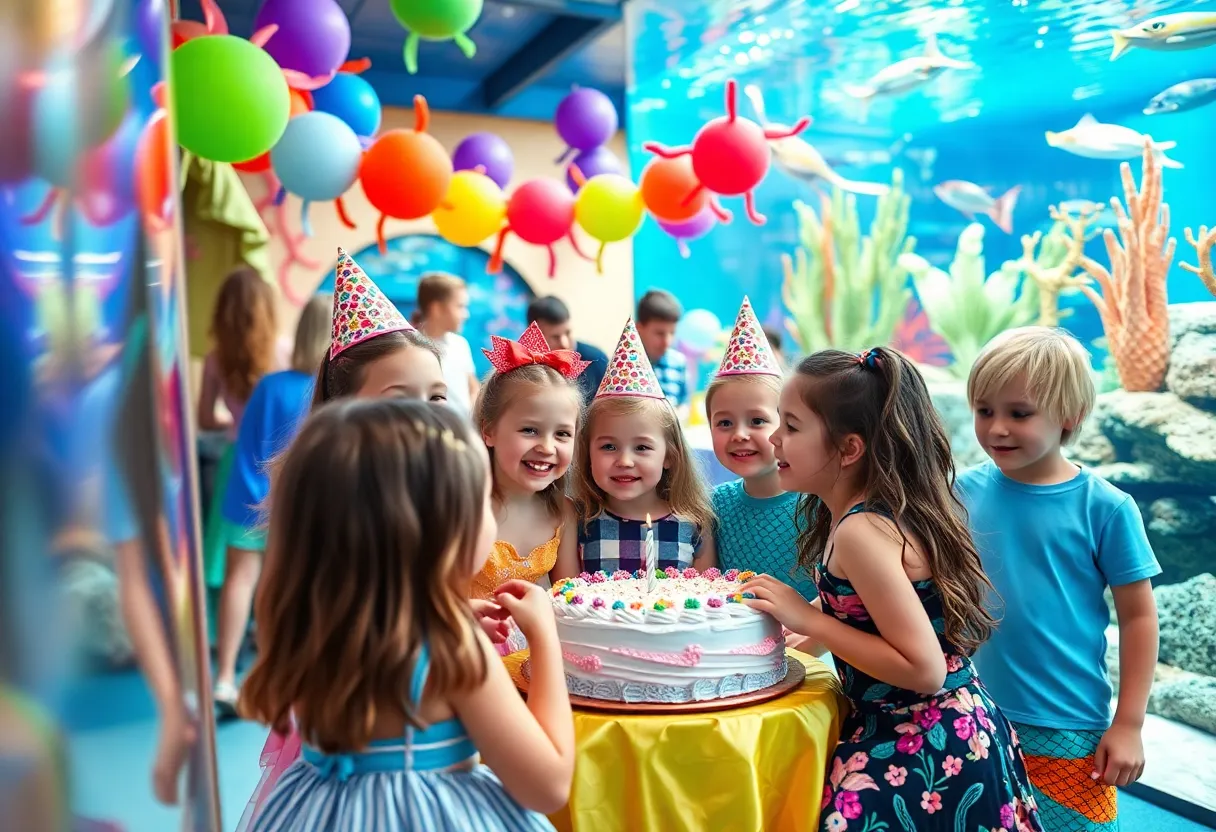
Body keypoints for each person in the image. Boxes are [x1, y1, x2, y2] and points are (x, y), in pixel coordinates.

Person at [742, 347, 1043, 832]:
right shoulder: (866, 513)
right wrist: (791, 638)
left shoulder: (862, 532)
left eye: (792, 426)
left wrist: (809, 618)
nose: (774, 438)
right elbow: (862, 609)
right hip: (952, 727)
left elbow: (923, 670)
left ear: (849, 449)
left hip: (927, 741)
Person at [239, 399, 573, 831]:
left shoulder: (314, 626)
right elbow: (547, 785)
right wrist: (545, 637)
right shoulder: (454, 648)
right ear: (441, 531)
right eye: (482, 502)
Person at [958, 327, 1159, 832]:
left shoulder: (1107, 507)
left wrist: (1129, 724)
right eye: (984, 410)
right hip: (971, 709)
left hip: (1067, 721)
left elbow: (1138, 618)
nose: (997, 428)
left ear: (1068, 417)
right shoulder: (958, 493)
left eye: (1018, 413)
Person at [211, 294, 330, 716]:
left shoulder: (271, 385)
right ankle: (275, 675)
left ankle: (225, 677)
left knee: (240, 583)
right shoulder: (328, 393)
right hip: (301, 510)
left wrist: (251, 497)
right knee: (287, 590)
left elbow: (247, 448)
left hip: (250, 497)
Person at [471, 323, 587, 654]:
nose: (547, 447)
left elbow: (570, 596)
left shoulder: (562, 513)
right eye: (530, 430)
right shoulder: (463, 503)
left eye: (562, 434)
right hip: (467, 651)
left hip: (534, 653)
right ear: (488, 431)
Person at [572, 319, 716, 574]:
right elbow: (566, 601)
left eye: (641, 448)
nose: (625, 461)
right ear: (588, 454)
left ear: (669, 456)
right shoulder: (578, 523)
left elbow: (707, 603)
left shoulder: (694, 525)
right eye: (608, 447)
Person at [707, 298, 813, 599]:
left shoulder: (816, 504)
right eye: (724, 423)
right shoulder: (716, 505)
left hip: (807, 643)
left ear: (785, 424)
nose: (739, 434)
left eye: (756, 420)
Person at [197, 266, 281, 609]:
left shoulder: (215, 360)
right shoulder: (283, 352)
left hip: (237, 459)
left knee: (234, 557)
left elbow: (203, 417)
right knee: (275, 552)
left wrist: (233, 424)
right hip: (279, 459)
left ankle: (224, 638)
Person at [413, 272, 478, 414]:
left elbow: (473, 387)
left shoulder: (460, 344)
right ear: (437, 308)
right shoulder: (412, 348)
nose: (466, 314)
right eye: (460, 306)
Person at [525, 295, 608, 403]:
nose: (564, 343)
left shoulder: (597, 360)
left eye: (568, 333)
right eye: (555, 337)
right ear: (534, 335)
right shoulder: (524, 369)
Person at [635, 289, 688, 413]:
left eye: (672, 333)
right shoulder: (627, 366)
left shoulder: (678, 362)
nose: (667, 342)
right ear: (639, 329)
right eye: (659, 333)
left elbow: (683, 403)